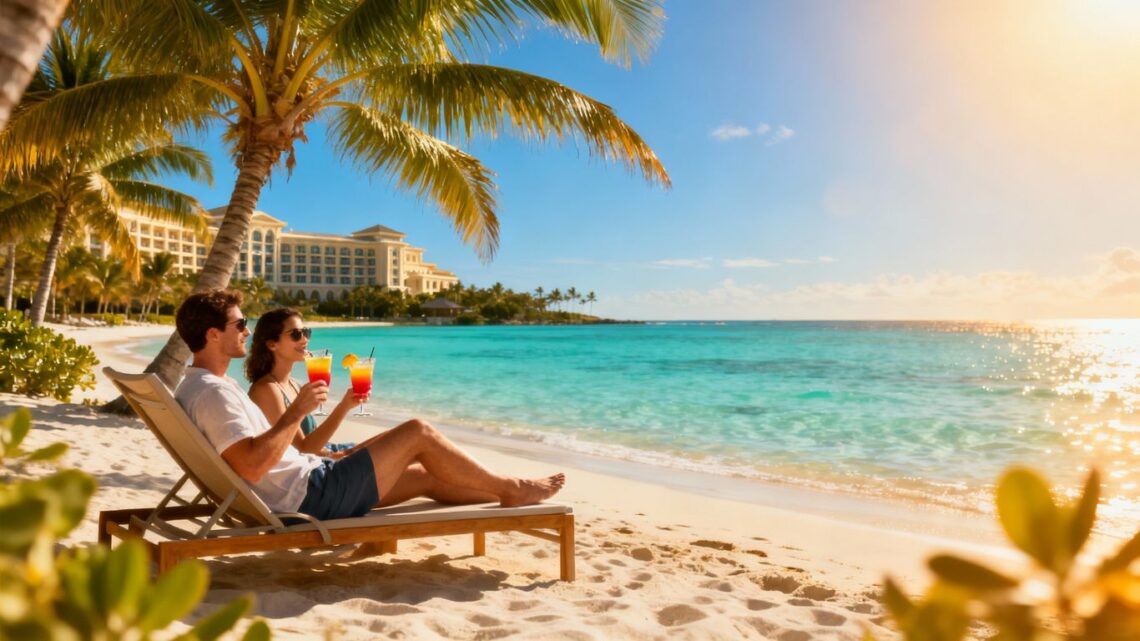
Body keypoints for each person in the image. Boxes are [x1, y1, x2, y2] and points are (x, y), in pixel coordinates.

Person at [173, 288, 565, 521]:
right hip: (310, 495)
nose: (247, 331)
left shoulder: (203, 386)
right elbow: (252, 465)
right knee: (418, 430)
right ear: (212, 334)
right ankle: (513, 488)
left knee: (427, 474)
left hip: (312, 479)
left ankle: (508, 492)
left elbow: (259, 458)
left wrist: (321, 420)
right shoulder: (214, 392)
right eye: (239, 325)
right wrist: (297, 413)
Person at [245, 307, 355, 456]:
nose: (305, 339)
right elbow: (302, 449)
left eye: (306, 332)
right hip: (308, 471)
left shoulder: (294, 384)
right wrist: (344, 407)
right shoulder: (266, 390)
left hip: (320, 455)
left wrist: (332, 454)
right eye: (296, 335)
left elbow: (312, 445)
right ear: (272, 344)